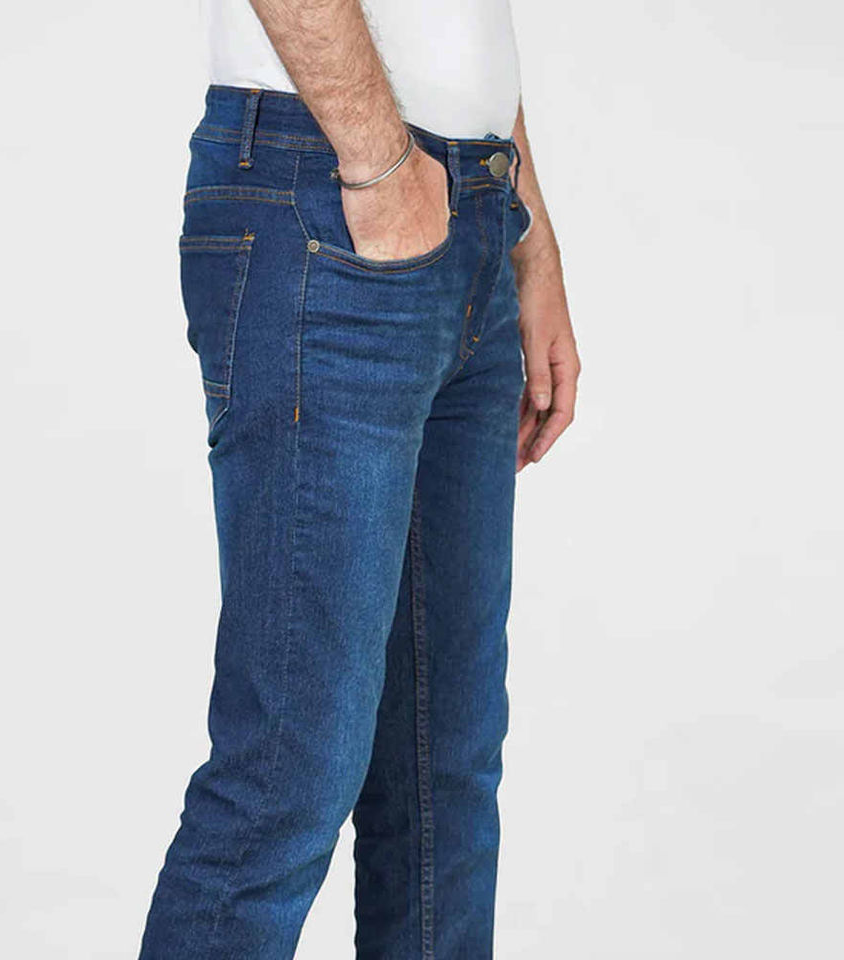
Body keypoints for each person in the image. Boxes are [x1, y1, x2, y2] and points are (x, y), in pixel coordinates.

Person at [139, 0, 580, 956]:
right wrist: (381, 166)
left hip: (474, 206)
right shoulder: (365, 173)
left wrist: (530, 247)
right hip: (326, 189)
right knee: (289, 772)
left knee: (444, 769)